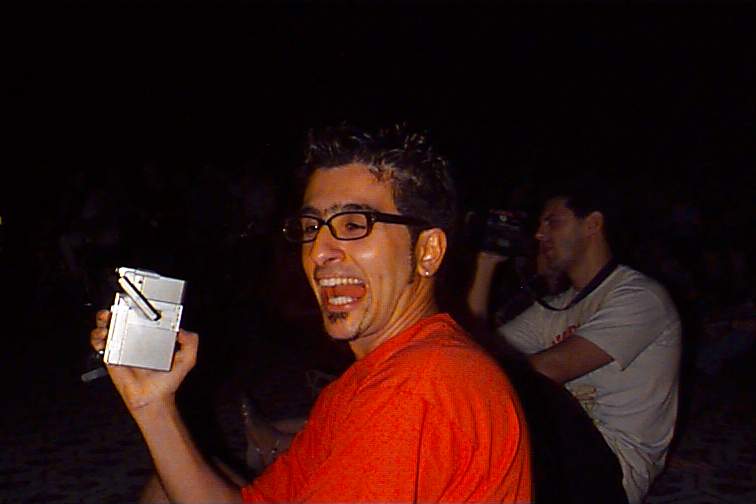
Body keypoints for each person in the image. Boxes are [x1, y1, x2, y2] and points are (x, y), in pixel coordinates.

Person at [90, 123, 532, 503]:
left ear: (429, 251)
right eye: (311, 227)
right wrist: (153, 405)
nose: (319, 251)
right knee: (163, 489)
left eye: (354, 225)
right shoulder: (370, 379)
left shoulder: (416, 388)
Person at [467, 180, 681, 504]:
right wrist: (485, 264)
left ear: (592, 224)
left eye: (552, 222)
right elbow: (472, 352)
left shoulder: (640, 297)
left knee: (504, 399)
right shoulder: (557, 306)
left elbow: (550, 369)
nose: (539, 235)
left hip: (612, 468)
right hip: (560, 452)